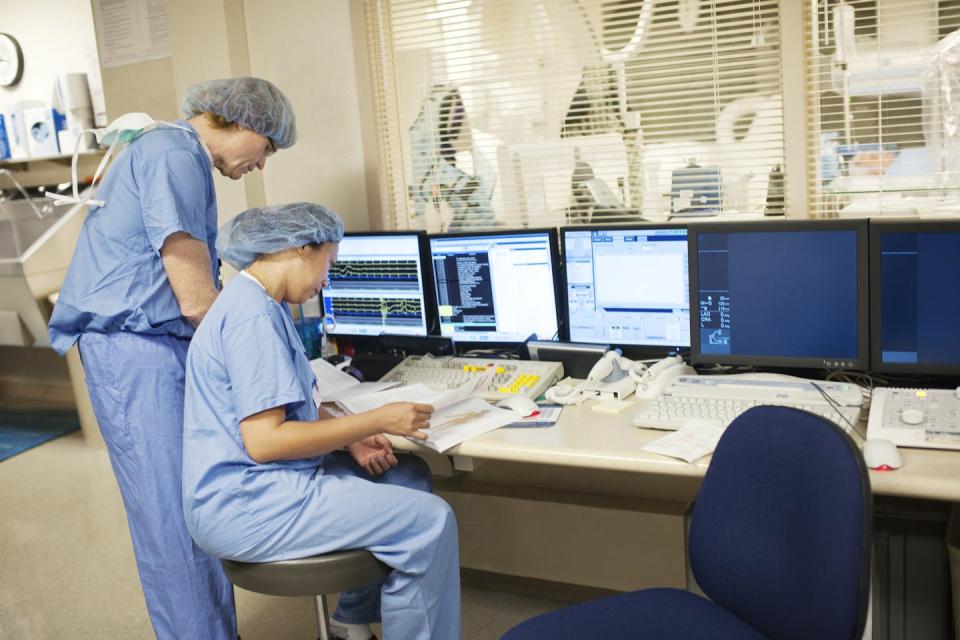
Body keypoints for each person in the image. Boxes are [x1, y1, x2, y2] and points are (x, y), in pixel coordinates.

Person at [47, 77, 296, 639]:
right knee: (171, 521)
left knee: (192, 503)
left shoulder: (174, 154)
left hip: (152, 347)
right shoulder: (171, 155)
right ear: (245, 124)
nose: (264, 163)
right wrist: (269, 358)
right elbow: (196, 300)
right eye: (269, 148)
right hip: (135, 353)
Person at [181, 203, 461, 640]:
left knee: (407, 476)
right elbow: (265, 442)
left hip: (262, 485)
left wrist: (354, 438)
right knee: (432, 522)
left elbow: (290, 405)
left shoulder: (260, 303)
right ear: (297, 248)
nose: (327, 279)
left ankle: (350, 617)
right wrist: (378, 418)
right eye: (328, 262)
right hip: (250, 504)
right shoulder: (252, 318)